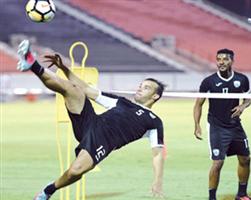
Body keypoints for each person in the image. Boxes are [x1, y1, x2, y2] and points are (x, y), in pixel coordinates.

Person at [16, 40, 166, 200]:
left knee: (75, 171)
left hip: (102, 141)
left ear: (155, 96)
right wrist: (64, 68)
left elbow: (157, 154)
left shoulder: (155, 122)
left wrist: (157, 181)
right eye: (140, 85)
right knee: (74, 90)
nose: (140, 88)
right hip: (90, 122)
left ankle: (48, 190)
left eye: (146, 88)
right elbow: (86, 89)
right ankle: (32, 64)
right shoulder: (121, 102)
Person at [193, 49, 251, 200]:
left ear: (232, 61)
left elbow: (248, 99)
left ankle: (242, 194)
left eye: (225, 59)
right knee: (218, 163)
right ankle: (212, 197)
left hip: (235, 126)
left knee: (245, 159)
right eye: (218, 59)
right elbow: (198, 104)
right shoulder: (209, 81)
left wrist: (243, 106)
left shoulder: (242, 79)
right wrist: (197, 125)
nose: (221, 62)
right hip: (217, 127)